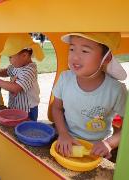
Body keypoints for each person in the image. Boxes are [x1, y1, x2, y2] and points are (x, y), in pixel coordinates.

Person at [52, 32, 127, 161]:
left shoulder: (116, 90)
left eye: (85, 51)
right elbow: (56, 108)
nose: (75, 57)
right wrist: (63, 134)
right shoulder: (65, 79)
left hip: (98, 149)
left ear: (106, 58)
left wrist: (110, 143)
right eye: (72, 49)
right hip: (67, 141)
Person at [0, 34, 45, 121]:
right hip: (15, 106)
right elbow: (7, 71)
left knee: (26, 130)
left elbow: (16, 88)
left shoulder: (29, 70)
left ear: (24, 55)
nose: (9, 60)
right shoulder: (16, 66)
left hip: (27, 110)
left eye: (10, 57)